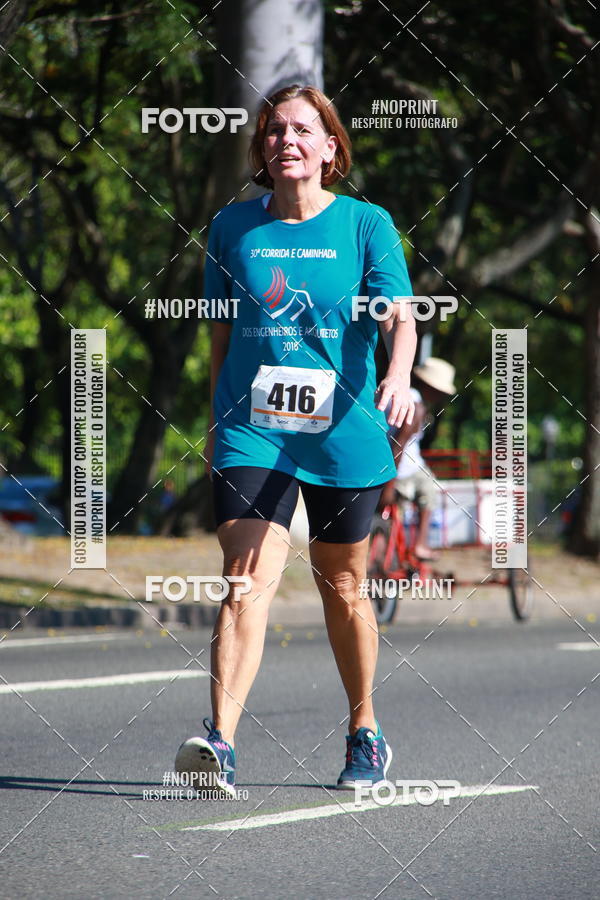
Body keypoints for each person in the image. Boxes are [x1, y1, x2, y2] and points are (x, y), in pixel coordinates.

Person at [174, 84, 417, 796]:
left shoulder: (367, 226)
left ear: (330, 148)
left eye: (303, 131)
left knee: (342, 587)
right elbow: (221, 334)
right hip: (254, 431)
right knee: (244, 580)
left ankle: (365, 730)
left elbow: (401, 317)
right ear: (262, 149)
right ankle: (219, 741)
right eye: (275, 131)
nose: (287, 141)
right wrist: (217, 419)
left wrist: (398, 376)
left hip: (344, 434)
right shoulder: (232, 228)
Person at [380, 357, 456, 560]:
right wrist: (389, 483)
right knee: (429, 494)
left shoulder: (404, 397)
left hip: (409, 467)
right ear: (430, 387)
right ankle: (420, 544)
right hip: (403, 471)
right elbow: (399, 444)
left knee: (428, 487)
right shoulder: (416, 408)